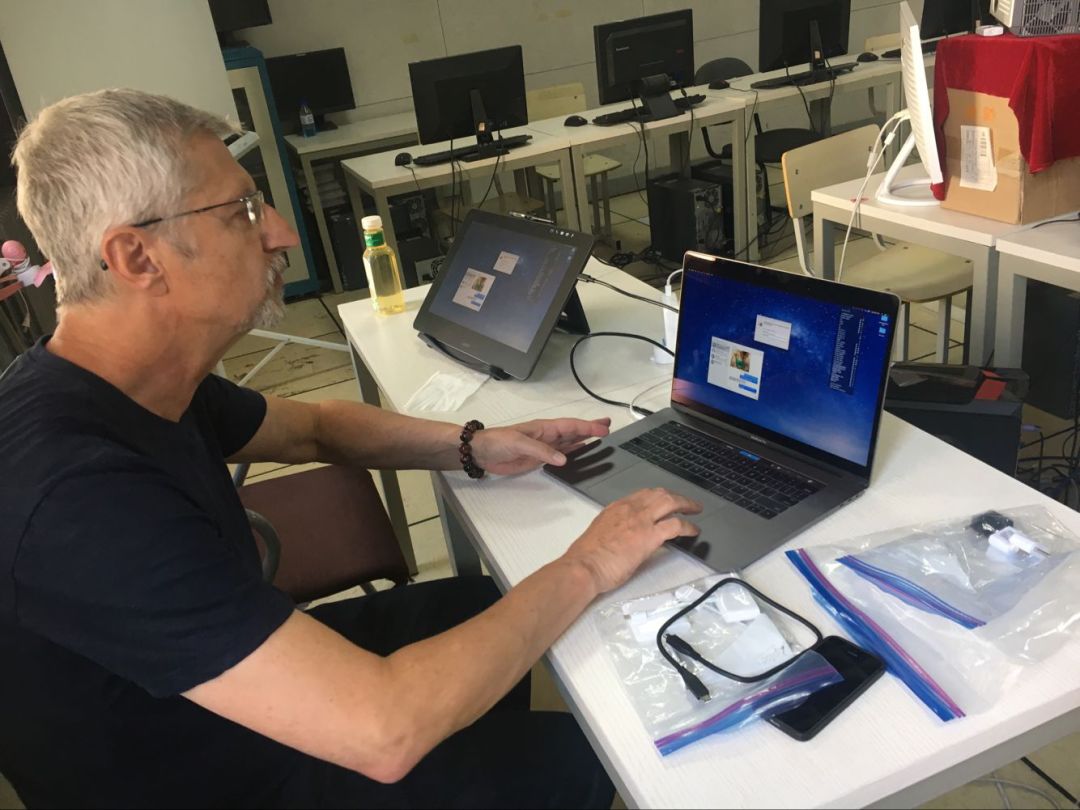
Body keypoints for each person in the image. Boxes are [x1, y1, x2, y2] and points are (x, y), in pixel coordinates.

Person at [0, 88, 702, 809]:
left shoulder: (133, 379)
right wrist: (591, 562)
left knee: (481, 601)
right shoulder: (76, 496)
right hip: (195, 776)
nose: (281, 233)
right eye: (243, 211)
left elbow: (315, 428)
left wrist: (473, 445)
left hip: (200, 703)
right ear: (136, 256)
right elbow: (384, 730)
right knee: (577, 757)